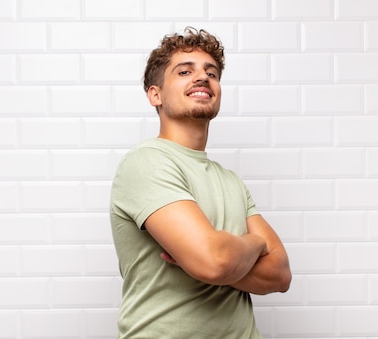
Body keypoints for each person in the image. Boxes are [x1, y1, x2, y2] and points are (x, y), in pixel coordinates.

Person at [110, 27, 292, 338]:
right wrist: (254, 244)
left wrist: (213, 261)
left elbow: (280, 275)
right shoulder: (146, 163)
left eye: (212, 73)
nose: (203, 78)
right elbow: (214, 262)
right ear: (155, 94)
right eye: (184, 71)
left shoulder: (231, 181)